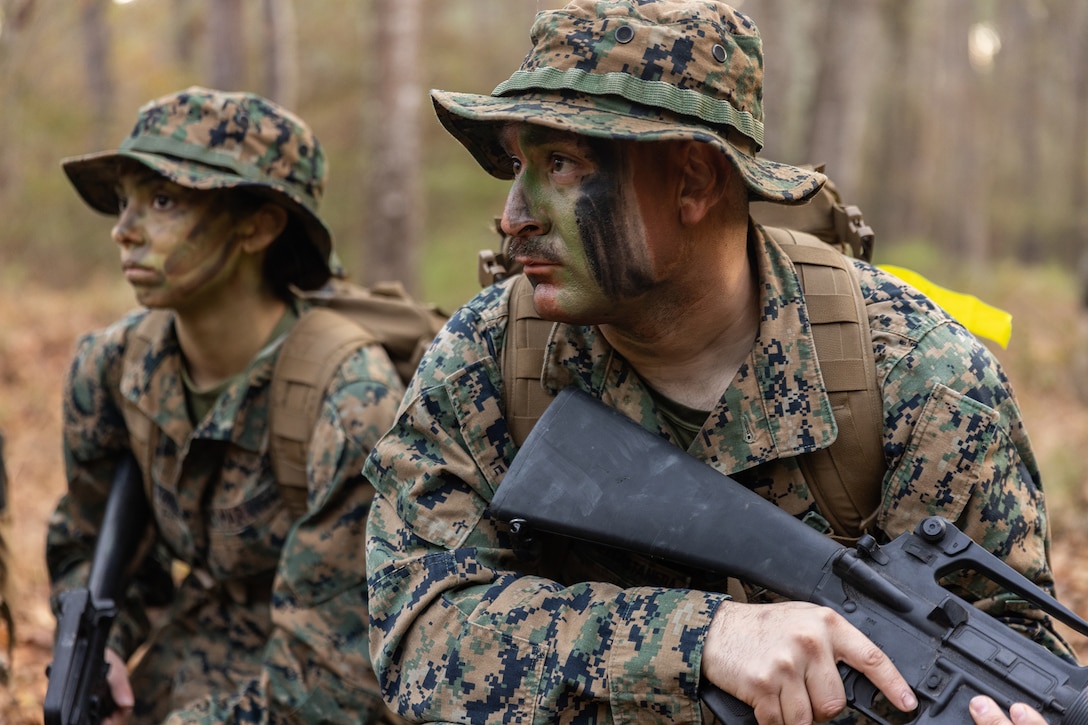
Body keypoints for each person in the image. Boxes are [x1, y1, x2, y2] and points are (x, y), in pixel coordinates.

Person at [363, 1, 1076, 723]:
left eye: (562, 165)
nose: (514, 215)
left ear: (695, 181)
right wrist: (697, 639)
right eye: (518, 164)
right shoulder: (483, 362)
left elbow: (1006, 644)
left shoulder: (920, 378)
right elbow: (420, 632)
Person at [47, 87, 406, 723]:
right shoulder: (111, 368)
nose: (123, 231)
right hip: (217, 625)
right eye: (123, 201)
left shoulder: (350, 399)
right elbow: (89, 542)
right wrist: (101, 644)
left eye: (162, 201)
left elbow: (334, 689)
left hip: (345, 657)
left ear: (259, 225)